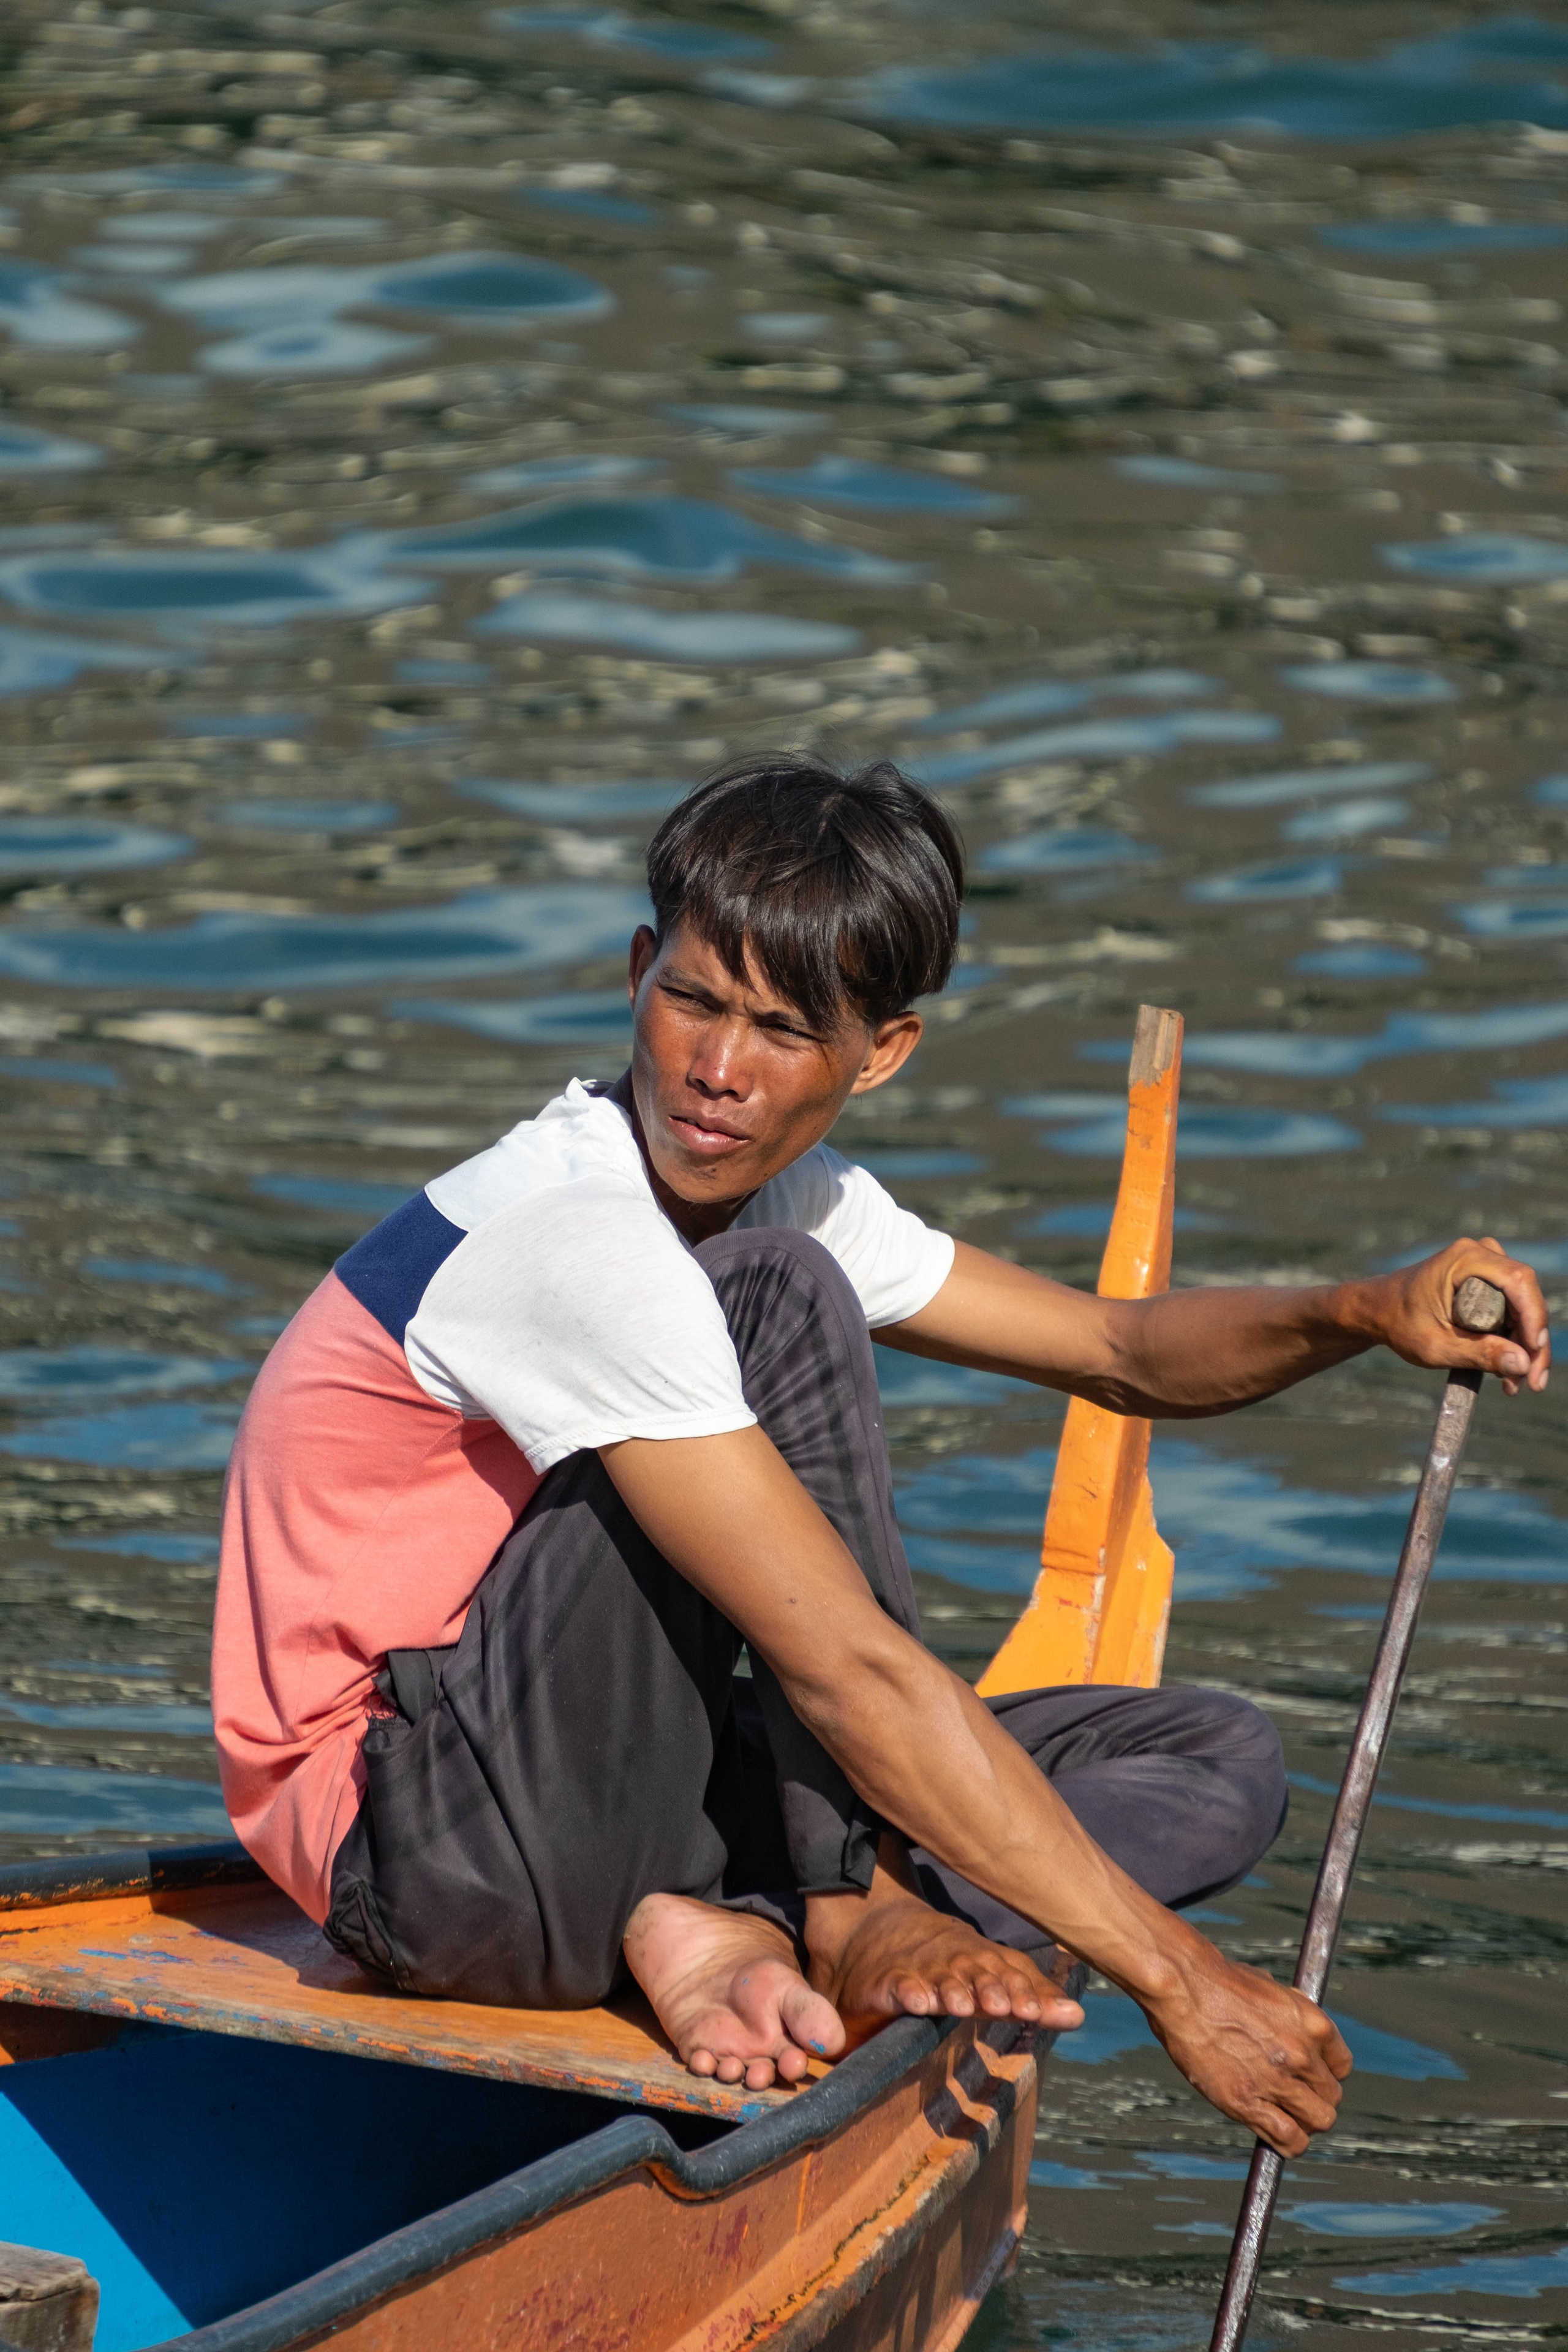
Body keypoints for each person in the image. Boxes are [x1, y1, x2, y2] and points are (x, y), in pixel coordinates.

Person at [212, 753, 1550, 2158]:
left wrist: (1362, 1311)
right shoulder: (571, 1233)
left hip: (570, 1785)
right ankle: (832, 1907)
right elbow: (841, 1665)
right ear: (631, 973)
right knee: (785, 1297)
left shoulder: (785, 1192)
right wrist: (1183, 1982)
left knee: (1210, 1758)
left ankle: (733, 1912)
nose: (717, 1073)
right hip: (426, 1853)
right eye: (691, 1001)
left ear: (881, 1052)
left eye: (783, 1030)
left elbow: (1120, 1352)